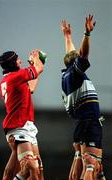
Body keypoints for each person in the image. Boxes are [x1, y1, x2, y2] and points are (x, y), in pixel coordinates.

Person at [61, 14, 106, 180]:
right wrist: (87, 34)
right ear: (75, 63)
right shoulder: (75, 74)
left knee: (92, 167)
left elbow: (71, 54)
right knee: (91, 165)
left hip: (82, 124)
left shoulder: (67, 74)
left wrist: (67, 36)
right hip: (89, 122)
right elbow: (82, 54)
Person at [0, 49, 44, 180]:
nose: (20, 61)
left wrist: (33, 65)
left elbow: (31, 87)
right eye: (18, 59)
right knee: (30, 166)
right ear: (13, 63)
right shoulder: (16, 77)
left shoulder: (7, 79)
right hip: (18, 127)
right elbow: (39, 68)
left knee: (37, 171)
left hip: (26, 126)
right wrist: (37, 58)